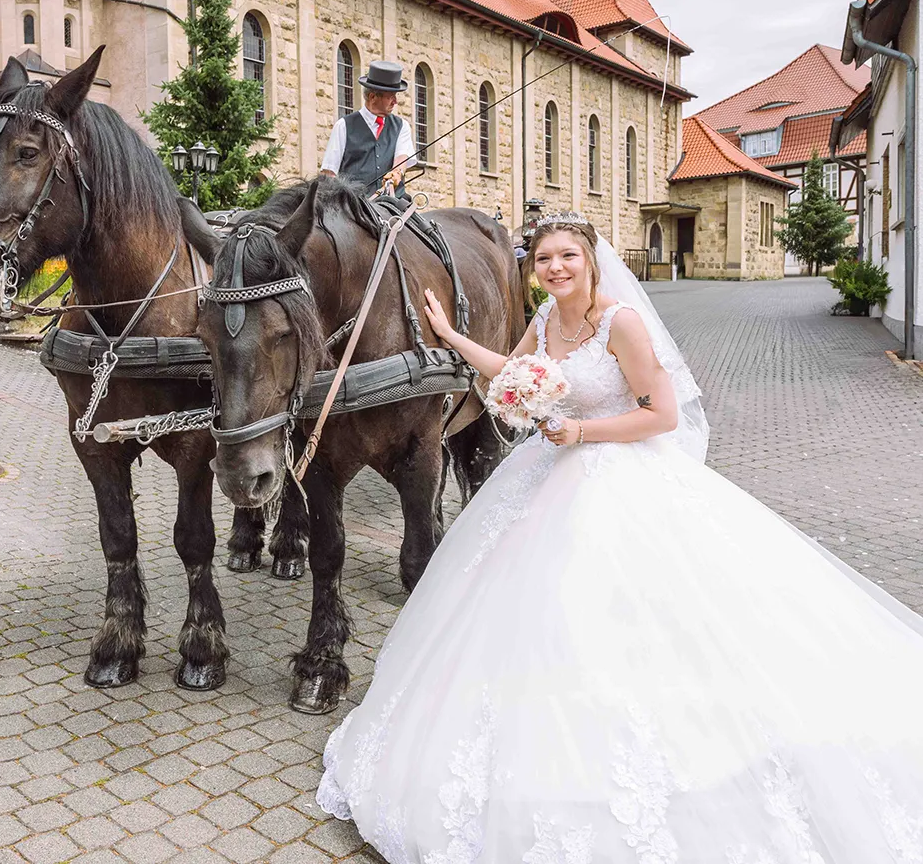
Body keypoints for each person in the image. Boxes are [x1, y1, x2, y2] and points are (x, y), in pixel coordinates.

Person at [315, 211, 923, 861]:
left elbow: (660, 415)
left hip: (618, 476)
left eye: (567, 257)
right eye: (544, 259)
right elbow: (508, 368)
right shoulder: (547, 318)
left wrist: (580, 432)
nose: (555, 268)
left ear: (590, 259)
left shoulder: (620, 322)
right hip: (547, 476)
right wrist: (447, 336)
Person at [320, 60, 418, 196]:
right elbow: (328, 174)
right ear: (372, 97)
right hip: (354, 207)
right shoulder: (343, 126)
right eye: (391, 97)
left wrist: (397, 173)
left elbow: (401, 159)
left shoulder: (402, 126)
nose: (395, 101)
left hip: (393, 204)